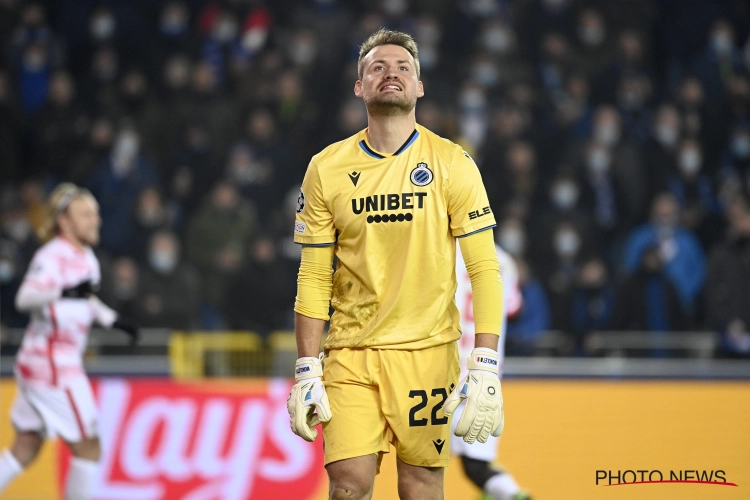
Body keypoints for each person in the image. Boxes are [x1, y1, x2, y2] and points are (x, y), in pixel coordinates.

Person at [286, 29, 504, 500]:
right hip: (350, 353)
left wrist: (485, 362)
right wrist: (306, 366)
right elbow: (314, 273)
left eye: (404, 67)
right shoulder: (326, 168)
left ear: (420, 87)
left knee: (420, 485)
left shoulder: (452, 163)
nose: (392, 74)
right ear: (359, 87)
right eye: (377, 67)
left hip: (427, 354)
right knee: (348, 485)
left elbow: (484, 267)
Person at [0, 183, 138, 499]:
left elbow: (86, 300)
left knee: (26, 446)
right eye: (86, 214)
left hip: (47, 360)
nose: (95, 220)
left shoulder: (87, 258)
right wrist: (62, 292)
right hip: (53, 364)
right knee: (89, 446)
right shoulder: (52, 256)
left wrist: (114, 320)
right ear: (65, 221)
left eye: (95, 214)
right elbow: (25, 297)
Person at [453, 243, 530, 500]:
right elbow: (514, 308)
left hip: (440, 373)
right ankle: (511, 493)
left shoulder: (437, 245)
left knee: (423, 461)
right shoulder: (504, 260)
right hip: (484, 376)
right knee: (476, 465)